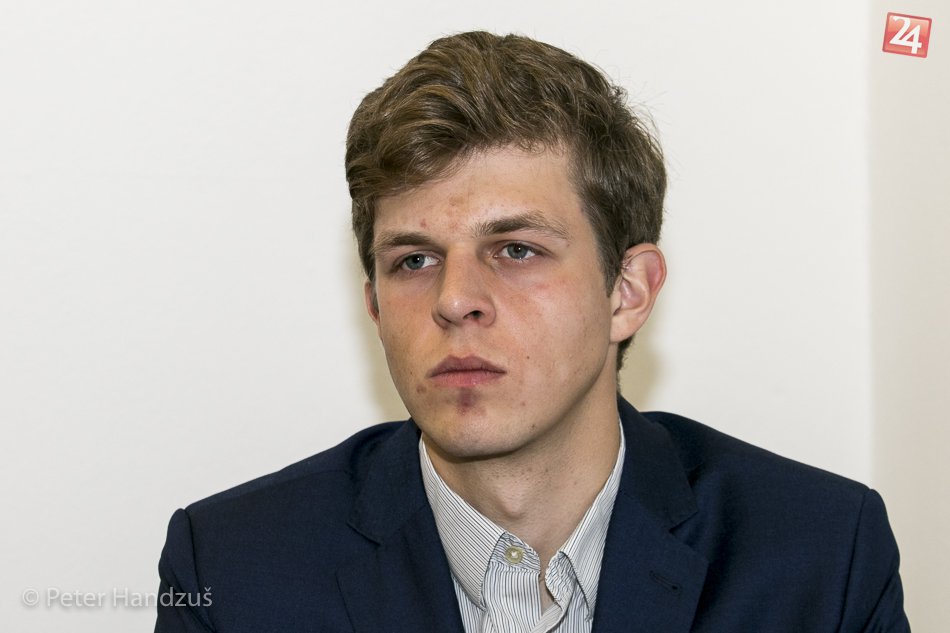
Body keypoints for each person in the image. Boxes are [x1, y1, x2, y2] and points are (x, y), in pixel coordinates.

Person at [154, 31, 910, 632]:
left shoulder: (818, 557)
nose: (455, 300)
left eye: (516, 250)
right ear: (375, 307)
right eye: (414, 260)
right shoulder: (233, 570)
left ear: (627, 292)